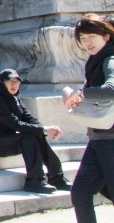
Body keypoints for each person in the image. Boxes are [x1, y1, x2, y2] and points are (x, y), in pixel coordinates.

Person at [0, 68, 68, 194]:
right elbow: (16, 124)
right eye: (10, 82)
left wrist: (45, 130)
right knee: (29, 137)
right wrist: (44, 130)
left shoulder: (15, 97)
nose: (14, 85)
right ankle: (34, 181)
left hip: (8, 138)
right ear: (2, 83)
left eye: (17, 82)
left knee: (37, 134)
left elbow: (28, 117)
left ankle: (56, 177)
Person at [63, 13, 114, 223]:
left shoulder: (110, 59)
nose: (87, 42)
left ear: (107, 37)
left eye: (91, 36)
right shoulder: (95, 61)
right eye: (83, 38)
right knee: (81, 193)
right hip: (98, 138)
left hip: (111, 139)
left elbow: (111, 88)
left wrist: (82, 93)